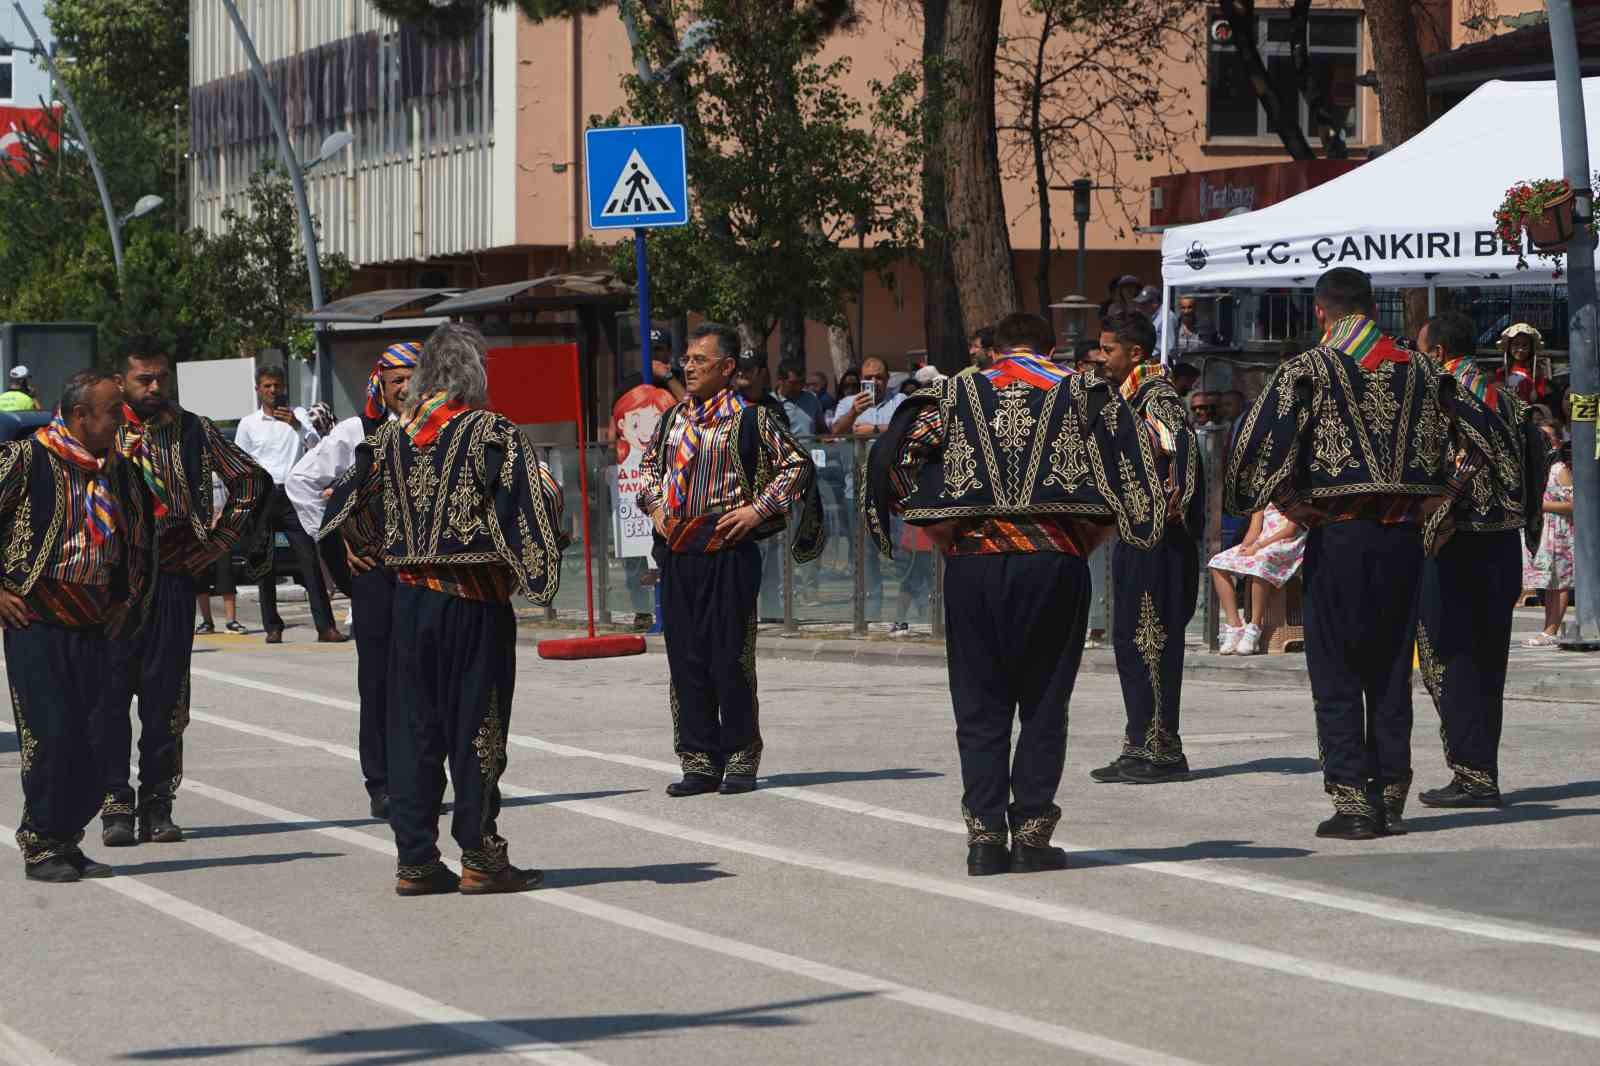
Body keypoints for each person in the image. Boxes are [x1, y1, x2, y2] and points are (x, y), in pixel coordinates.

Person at [866, 312, 1166, 875]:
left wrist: (929, 517)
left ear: (994, 350)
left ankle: (983, 841)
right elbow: (1141, 456)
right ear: (1049, 349)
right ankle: (1031, 835)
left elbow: (894, 454)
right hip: (1053, 560)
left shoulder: (953, 393)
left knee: (980, 702)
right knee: (1045, 701)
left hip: (974, 561)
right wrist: (1104, 528)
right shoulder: (1083, 391)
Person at [321, 323, 568, 895]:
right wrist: (532, 571)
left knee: (414, 728)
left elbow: (342, 504)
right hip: (471, 603)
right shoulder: (490, 433)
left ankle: (415, 859)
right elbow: (537, 503)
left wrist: (364, 549)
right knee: (476, 728)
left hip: (408, 599)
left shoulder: (389, 438)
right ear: (473, 374)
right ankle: (480, 856)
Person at [1227, 267, 1462, 839]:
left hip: (1342, 534)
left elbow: (1253, 449)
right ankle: (1389, 796)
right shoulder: (1424, 371)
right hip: (1403, 537)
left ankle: (1354, 802)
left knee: (1335, 668)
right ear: (1373, 309)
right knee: (1388, 671)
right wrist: (1433, 501)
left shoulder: (1308, 369)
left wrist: (1287, 503)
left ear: (1319, 311)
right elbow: (1457, 446)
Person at [636, 323, 822, 798]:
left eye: (700, 361)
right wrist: (656, 506)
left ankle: (740, 755)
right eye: (687, 360)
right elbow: (647, 471)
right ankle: (697, 759)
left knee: (729, 657)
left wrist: (758, 508)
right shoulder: (674, 419)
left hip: (728, 551)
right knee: (685, 657)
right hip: (679, 550)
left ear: (727, 368)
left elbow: (797, 465)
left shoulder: (750, 419)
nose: (689, 367)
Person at [99, 345, 270, 848]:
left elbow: (249, 480)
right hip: (112, 586)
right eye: (143, 380)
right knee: (108, 698)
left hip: (173, 578)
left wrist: (216, 543)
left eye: (161, 379)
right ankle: (114, 805)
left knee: (166, 699)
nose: (154, 388)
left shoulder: (193, 428)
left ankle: (157, 804)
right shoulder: (103, 429)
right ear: (122, 379)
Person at [1, 371, 155, 882]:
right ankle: (41, 844)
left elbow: (139, 537)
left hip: (95, 620)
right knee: (50, 736)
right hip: (37, 617)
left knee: (95, 739)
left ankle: (66, 837)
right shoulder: (27, 458)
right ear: (79, 416)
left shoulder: (120, 470)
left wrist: (127, 600)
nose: (122, 419)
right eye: (112, 411)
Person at [1414, 311, 1544, 811]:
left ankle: (1472, 774)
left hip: (1458, 542)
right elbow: (1533, 464)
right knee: (1488, 661)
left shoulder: (1447, 397)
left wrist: (1431, 513)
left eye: (1424, 351)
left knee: (1448, 658)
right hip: (1503, 544)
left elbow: (1453, 465)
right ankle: (1480, 770)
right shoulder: (1508, 400)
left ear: (1439, 353)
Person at [287, 341, 420, 820]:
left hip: (426, 575)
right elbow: (301, 481)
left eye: (413, 378)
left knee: (425, 677)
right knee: (379, 678)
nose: (406, 388)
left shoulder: (437, 431)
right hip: (376, 574)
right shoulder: (356, 431)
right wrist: (335, 531)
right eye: (396, 381)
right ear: (380, 386)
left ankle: (422, 776)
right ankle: (381, 782)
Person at [1085, 310, 1203, 785]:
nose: (1101, 357)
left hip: (1158, 539)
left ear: (1135, 352)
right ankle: (1140, 743)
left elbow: (1177, 454)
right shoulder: (1129, 398)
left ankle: (1161, 749)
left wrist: (1163, 502)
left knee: (1152, 644)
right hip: (1137, 535)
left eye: (1108, 349)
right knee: (1131, 643)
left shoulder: (1158, 397)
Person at [234, 365, 342, 644]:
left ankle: (325, 627)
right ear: (258, 389)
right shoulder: (248, 424)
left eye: (277, 386)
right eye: (267, 386)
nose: (273, 391)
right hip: (263, 495)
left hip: (294, 494)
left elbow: (318, 446)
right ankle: (272, 626)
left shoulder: (300, 415)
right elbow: (240, 463)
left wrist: (295, 424)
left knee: (309, 560)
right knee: (264, 562)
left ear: (284, 388)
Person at [608, 383, 678, 630]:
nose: (647, 433)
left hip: (666, 518)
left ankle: (668, 609)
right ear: (621, 425)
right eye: (636, 423)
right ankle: (642, 611)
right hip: (633, 522)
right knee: (635, 567)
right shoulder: (620, 458)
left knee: (667, 562)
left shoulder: (676, 453)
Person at [1208, 504, 1306, 655]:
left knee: (1260, 563)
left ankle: (1254, 627)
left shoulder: (1293, 496)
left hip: (1288, 544)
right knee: (1218, 562)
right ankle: (1235, 626)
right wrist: (1244, 549)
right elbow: (1254, 530)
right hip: (1261, 543)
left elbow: (1290, 530)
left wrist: (1259, 546)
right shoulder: (1263, 497)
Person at [1523, 440, 1573, 648]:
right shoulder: (1552, 468)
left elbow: (1573, 505)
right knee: (1551, 582)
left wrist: (1540, 505)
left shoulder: (1560, 469)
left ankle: (1551, 630)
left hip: (1562, 531)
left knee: (1560, 583)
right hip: (1551, 530)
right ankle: (1548, 628)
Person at [194, 475, 246, 635]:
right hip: (199, 529)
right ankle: (207, 621)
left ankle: (231, 620)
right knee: (200, 575)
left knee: (225, 572)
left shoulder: (221, 472)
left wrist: (220, 517)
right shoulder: (192, 468)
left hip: (221, 528)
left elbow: (234, 496)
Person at [830, 358, 904, 436]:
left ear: (887, 378)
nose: (874, 382)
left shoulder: (900, 400)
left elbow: (908, 429)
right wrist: (853, 412)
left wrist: (875, 429)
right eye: (868, 378)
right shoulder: (847, 403)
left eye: (879, 377)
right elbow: (835, 432)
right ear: (861, 379)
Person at [1498, 323, 1548, 402]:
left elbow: (1541, 398)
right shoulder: (1501, 373)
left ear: (1531, 348)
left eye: (1525, 345)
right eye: (1516, 344)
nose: (1520, 349)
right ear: (1509, 347)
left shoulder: (1537, 373)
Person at [778, 361, 824, 435]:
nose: (799, 387)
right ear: (780, 381)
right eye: (794, 383)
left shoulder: (812, 398)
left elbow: (822, 429)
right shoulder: (770, 402)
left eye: (802, 381)